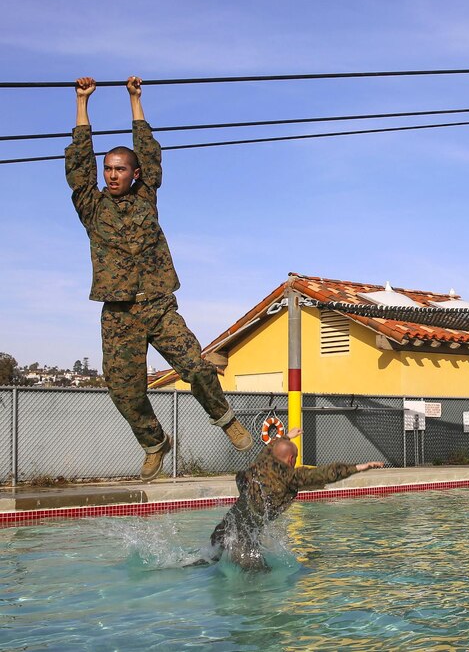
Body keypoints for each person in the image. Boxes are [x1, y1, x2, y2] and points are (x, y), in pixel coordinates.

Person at [66, 77, 255, 482]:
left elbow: (149, 152)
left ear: (134, 175)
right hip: (118, 313)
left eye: (120, 170)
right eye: (108, 170)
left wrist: (136, 101)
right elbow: (78, 165)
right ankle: (155, 444)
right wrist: (82, 103)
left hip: (157, 306)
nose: (112, 176)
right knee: (124, 390)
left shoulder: (146, 195)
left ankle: (224, 419)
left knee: (197, 367)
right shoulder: (91, 206)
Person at [208, 429, 384, 570]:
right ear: (291, 459)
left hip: (226, 527)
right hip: (244, 540)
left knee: (210, 558)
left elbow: (269, 448)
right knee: (258, 574)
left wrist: (286, 436)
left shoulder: (260, 463)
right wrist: (360, 467)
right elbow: (325, 473)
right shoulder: (291, 476)